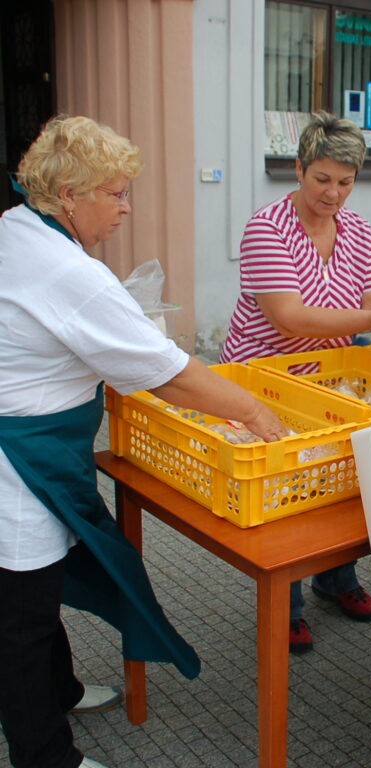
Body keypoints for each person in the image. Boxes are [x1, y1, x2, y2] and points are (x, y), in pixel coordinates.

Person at [0, 115, 288, 768]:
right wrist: (253, 411)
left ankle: (61, 690)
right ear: (68, 194)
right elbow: (172, 376)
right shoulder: (67, 272)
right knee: (20, 617)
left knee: (36, 598)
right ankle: (44, 755)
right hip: (19, 464)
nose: (127, 208)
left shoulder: (17, 228)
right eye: (116, 193)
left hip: (37, 447)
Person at [220, 111, 371, 653]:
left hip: (329, 378)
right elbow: (289, 318)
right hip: (266, 378)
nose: (333, 193)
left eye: (345, 182)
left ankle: (337, 578)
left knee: (342, 478)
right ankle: (287, 604)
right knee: (287, 490)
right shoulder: (266, 227)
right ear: (298, 169)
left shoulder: (358, 229)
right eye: (322, 179)